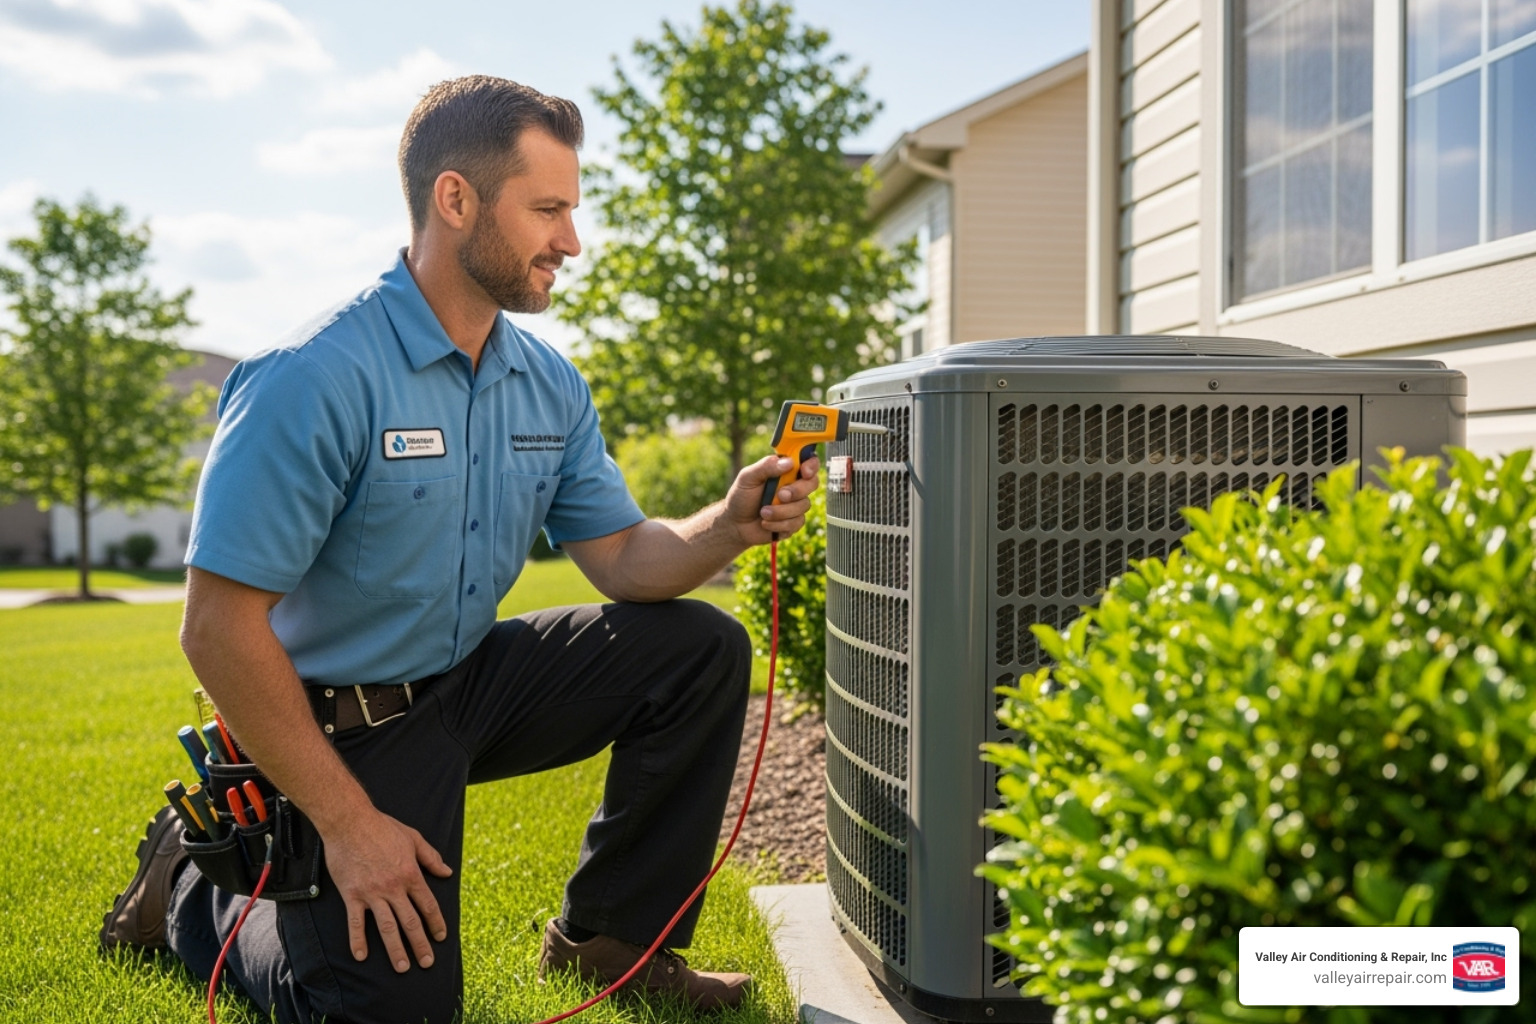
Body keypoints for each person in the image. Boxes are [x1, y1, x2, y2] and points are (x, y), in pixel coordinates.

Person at [98, 75, 819, 1024]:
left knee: (698, 648)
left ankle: (611, 941)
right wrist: (349, 828)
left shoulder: (546, 382)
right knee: (389, 1011)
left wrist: (725, 525)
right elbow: (217, 630)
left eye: (572, 209)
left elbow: (624, 559)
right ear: (456, 199)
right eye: (549, 209)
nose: (571, 240)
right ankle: (202, 891)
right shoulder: (311, 377)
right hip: (336, 728)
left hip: (467, 683)